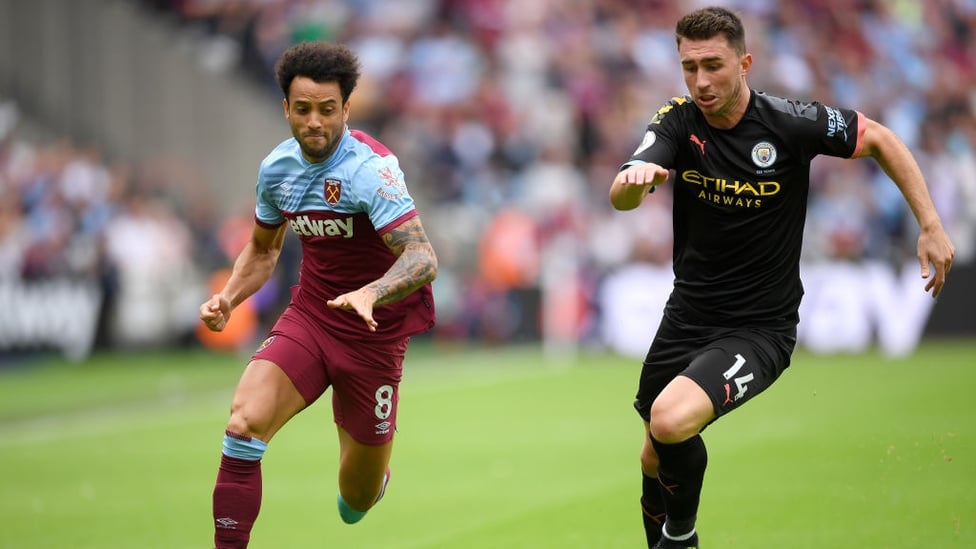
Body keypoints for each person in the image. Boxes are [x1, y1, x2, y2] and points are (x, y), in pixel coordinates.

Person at [608, 7, 955, 549]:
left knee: (671, 421)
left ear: (745, 63)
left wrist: (931, 225)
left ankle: (681, 539)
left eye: (714, 66)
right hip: (687, 315)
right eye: (690, 67)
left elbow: (882, 139)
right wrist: (636, 181)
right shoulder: (676, 121)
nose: (701, 81)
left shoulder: (790, 122)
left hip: (759, 328)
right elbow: (622, 196)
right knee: (654, 451)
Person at [199, 41, 437, 548]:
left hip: (375, 337)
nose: (314, 122)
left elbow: (422, 259)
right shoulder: (276, 171)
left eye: (327, 110)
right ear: (285, 107)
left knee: (355, 501)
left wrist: (372, 293)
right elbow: (263, 252)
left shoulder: (371, 169)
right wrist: (229, 297)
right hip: (312, 318)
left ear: (346, 109)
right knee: (244, 423)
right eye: (302, 109)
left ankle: (372, 483)